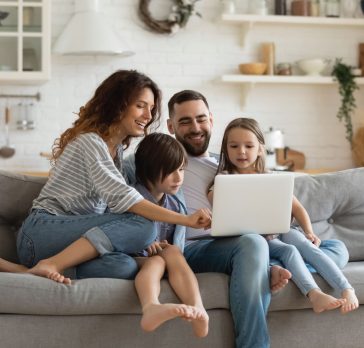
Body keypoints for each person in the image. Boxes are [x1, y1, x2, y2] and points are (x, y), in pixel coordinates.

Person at [166, 90, 351, 348]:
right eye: (185, 121)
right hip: (200, 247)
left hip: (248, 244)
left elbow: (282, 202)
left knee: (337, 249)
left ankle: (266, 270)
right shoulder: (166, 162)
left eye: (200, 119)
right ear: (171, 125)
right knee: (254, 243)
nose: (195, 127)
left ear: (211, 119)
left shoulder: (226, 164)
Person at [0, 70, 211, 285]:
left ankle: (32, 269)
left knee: (124, 266)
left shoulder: (116, 152)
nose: (148, 116)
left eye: (151, 108)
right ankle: (51, 265)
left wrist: (140, 242)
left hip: (68, 241)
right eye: (140, 105)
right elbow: (126, 200)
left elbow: (114, 212)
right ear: (117, 104)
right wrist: (186, 220)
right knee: (145, 226)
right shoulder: (90, 143)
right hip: (42, 232)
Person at [207, 117, 359, 315]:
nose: (241, 151)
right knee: (290, 251)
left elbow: (298, 209)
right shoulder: (224, 179)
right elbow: (213, 199)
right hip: (256, 240)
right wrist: (218, 191)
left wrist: (309, 232)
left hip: (280, 231)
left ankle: (347, 288)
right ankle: (314, 294)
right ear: (226, 149)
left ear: (260, 148)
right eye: (234, 146)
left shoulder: (271, 178)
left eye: (249, 146)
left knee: (303, 244)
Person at [133, 132, 208, 337]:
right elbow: (120, 233)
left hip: (166, 257)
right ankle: (151, 306)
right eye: (170, 171)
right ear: (148, 170)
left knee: (173, 252)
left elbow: (177, 241)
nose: (179, 177)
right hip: (135, 256)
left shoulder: (175, 202)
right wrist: (144, 243)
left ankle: (198, 308)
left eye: (182, 169)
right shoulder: (133, 198)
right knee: (156, 262)